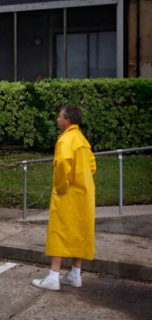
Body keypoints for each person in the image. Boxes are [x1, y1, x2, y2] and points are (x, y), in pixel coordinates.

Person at [32, 104, 96, 291]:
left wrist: (60, 188)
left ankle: (54, 276)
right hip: (84, 194)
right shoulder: (82, 140)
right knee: (80, 232)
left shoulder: (66, 140)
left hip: (68, 194)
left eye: (60, 117)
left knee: (59, 232)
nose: (58, 119)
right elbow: (92, 165)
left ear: (67, 120)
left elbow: (62, 164)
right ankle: (75, 274)